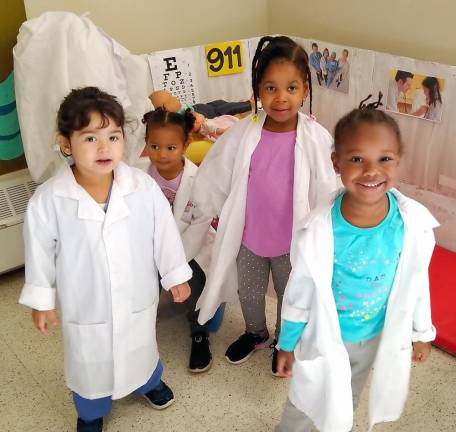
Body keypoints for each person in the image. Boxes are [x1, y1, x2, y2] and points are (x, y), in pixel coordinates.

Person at [19, 87, 192, 432]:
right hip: (88, 305)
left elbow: (164, 234)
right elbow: (38, 250)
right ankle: (90, 411)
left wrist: (175, 274)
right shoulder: (50, 200)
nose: (104, 148)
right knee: (89, 364)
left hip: (136, 296)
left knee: (142, 346)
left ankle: (148, 382)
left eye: (113, 136)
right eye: (90, 138)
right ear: (66, 144)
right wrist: (41, 299)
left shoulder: (142, 188)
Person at [275, 93, 438, 432]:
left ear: (399, 161)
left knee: (347, 396)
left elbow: (416, 282)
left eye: (385, 158)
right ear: (336, 163)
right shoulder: (319, 230)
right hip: (322, 336)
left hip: (372, 337)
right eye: (357, 159)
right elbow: (300, 292)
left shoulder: (410, 226)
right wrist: (287, 344)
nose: (371, 171)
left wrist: (422, 332)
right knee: (305, 397)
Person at [190, 35, 338, 375]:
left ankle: (286, 342)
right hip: (251, 239)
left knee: (291, 297)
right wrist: (206, 208)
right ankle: (255, 333)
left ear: (305, 91)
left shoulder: (316, 138)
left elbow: (330, 185)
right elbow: (216, 171)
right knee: (250, 294)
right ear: (257, 90)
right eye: (270, 88)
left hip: (292, 243)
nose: (281, 97)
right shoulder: (243, 132)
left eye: (291, 88)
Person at [142, 107, 216, 373]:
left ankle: (199, 332)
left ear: (185, 144)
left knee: (192, 280)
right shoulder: (139, 178)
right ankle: (137, 331)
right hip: (150, 249)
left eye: (170, 147)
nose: (161, 154)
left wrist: (172, 265)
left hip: (190, 249)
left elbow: (198, 228)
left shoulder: (199, 181)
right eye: (154, 146)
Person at [149, 90, 252, 139]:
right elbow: (195, 126)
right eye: (171, 97)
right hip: (207, 114)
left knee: (220, 103)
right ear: (167, 109)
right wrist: (196, 116)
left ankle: (246, 103)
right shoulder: (178, 122)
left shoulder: (178, 113)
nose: (175, 96)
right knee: (228, 108)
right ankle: (250, 104)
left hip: (202, 107)